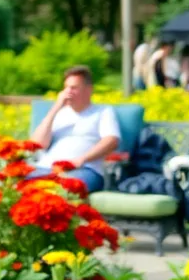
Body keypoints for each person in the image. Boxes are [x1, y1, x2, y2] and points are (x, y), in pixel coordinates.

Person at [28, 65, 120, 194]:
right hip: (46, 168)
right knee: (17, 187)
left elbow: (111, 141)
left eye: (74, 88)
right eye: (66, 88)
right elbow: (36, 145)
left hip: (84, 169)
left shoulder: (103, 111)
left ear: (89, 90)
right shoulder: (59, 113)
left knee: (64, 189)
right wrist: (56, 108)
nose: (68, 92)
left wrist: (81, 160)